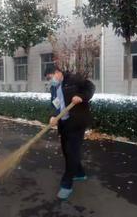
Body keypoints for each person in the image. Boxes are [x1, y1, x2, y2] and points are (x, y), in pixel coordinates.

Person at [47, 67, 95, 201]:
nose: (50, 81)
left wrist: (81, 96)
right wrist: (53, 116)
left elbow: (90, 87)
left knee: (72, 152)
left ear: (57, 73)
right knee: (67, 152)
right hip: (64, 123)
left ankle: (66, 185)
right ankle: (79, 173)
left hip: (77, 122)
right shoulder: (53, 88)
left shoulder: (74, 79)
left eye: (50, 77)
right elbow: (55, 104)